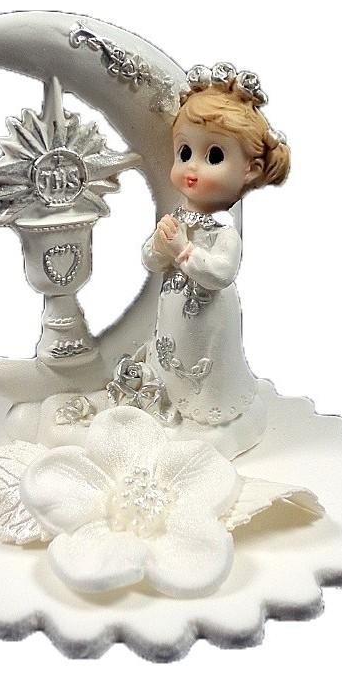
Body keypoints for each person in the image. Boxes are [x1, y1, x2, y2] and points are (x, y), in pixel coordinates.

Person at [141, 63, 290, 425]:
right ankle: (172, 398)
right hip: (174, 314)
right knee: (172, 348)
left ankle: (209, 405)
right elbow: (150, 261)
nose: (192, 168)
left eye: (214, 157)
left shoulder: (224, 231)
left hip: (210, 319)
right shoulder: (179, 216)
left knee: (204, 359)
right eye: (184, 153)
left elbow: (221, 273)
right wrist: (159, 247)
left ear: (250, 169)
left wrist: (182, 250)